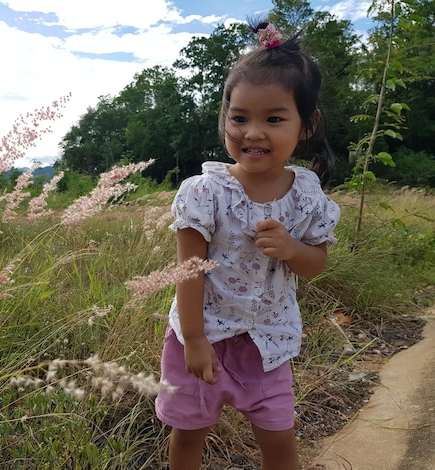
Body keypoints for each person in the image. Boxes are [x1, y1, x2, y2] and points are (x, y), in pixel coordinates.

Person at [155, 20, 341, 470]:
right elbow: (190, 269)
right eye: (239, 118)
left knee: (279, 440)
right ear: (225, 119)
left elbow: (316, 265)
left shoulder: (307, 194)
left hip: (268, 343)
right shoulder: (205, 191)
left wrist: (294, 249)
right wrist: (195, 339)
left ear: (307, 125)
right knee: (189, 435)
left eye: (274, 118)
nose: (252, 132)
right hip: (202, 339)